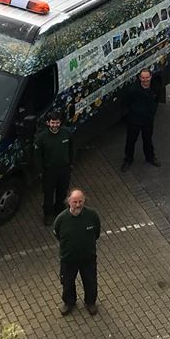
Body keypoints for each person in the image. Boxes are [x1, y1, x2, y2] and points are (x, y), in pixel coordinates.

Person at [53, 188, 102, 316]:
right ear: (68, 201)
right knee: (67, 283)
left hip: (88, 258)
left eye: (81, 201)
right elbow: (57, 234)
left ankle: (90, 302)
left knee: (90, 281)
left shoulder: (92, 215)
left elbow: (96, 233)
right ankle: (69, 303)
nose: (78, 205)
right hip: (68, 259)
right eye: (75, 202)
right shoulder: (61, 219)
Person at [33, 111, 74, 226]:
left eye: (57, 122)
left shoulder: (67, 133)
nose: (55, 125)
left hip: (64, 169)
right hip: (49, 171)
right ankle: (48, 215)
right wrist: (40, 171)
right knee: (48, 195)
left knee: (62, 192)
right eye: (52, 123)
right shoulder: (41, 138)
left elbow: (71, 149)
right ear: (48, 123)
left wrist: (70, 163)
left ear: (60, 122)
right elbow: (37, 157)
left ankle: (59, 212)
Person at [121, 69, 160, 172]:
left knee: (148, 140)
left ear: (151, 77)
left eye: (147, 77)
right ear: (139, 78)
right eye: (143, 78)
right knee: (131, 141)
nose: (145, 80)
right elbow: (126, 104)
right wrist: (129, 117)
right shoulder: (133, 90)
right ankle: (128, 160)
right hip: (134, 121)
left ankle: (150, 157)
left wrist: (152, 113)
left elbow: (156, 101)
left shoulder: (155, 88)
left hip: (148, 121)